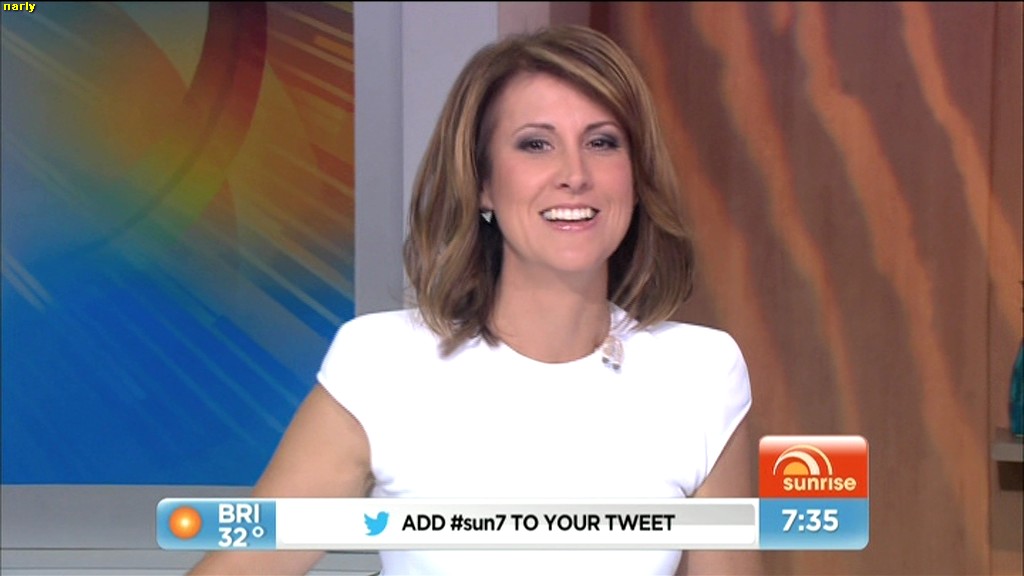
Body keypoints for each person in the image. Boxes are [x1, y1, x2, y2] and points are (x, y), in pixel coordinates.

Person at [190, 24, 758, 576]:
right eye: (536, 144)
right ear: (483, 183)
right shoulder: (382, 363)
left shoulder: (703, 373)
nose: (575, 174)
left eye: (602, 142)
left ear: (635, 179)